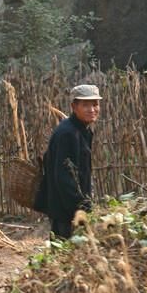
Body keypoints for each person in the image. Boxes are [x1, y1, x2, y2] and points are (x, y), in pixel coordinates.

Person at [37, 83, 102, 239]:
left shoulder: (82, 130)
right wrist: (80, 208)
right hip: (66, 212)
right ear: (74, 106)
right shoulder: (67, 133)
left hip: (72, 208)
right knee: (64, 255)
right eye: (86, 105)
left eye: (95, 104)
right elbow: (64, 177)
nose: (92, 109)